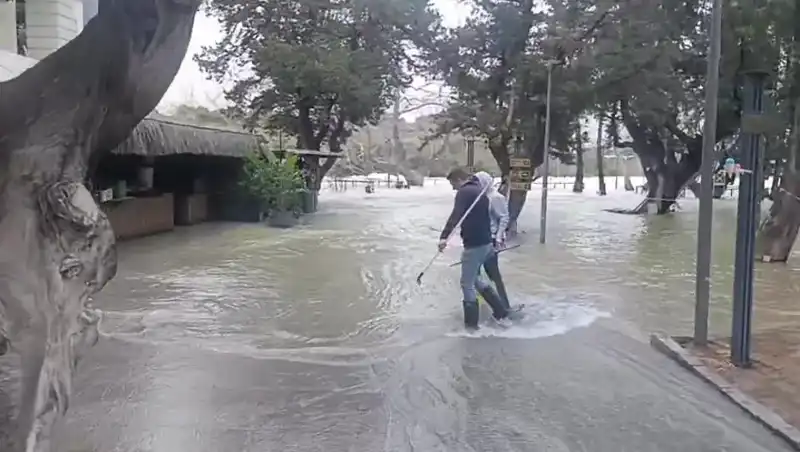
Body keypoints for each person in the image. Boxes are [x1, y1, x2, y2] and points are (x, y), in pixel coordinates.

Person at [438, 167, 512, 329]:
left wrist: (444, 237)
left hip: (474, 245)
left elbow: (456, 215)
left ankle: (471, 327)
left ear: (459, 179)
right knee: (476, 280)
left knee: (466, 283)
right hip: (486, 243)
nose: (453, 188)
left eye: (453, 184)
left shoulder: (465, 193)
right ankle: (501, 311)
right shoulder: (480, 193)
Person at [474, 171, 512, 311]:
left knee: (493, 274)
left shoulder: (496, 197)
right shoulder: (478, 197)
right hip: (477, 240)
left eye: (478, 182)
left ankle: (505, 305)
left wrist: (498, 237)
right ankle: (479, 303)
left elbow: (504, 217)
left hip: (490, 240)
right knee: (474, 276)